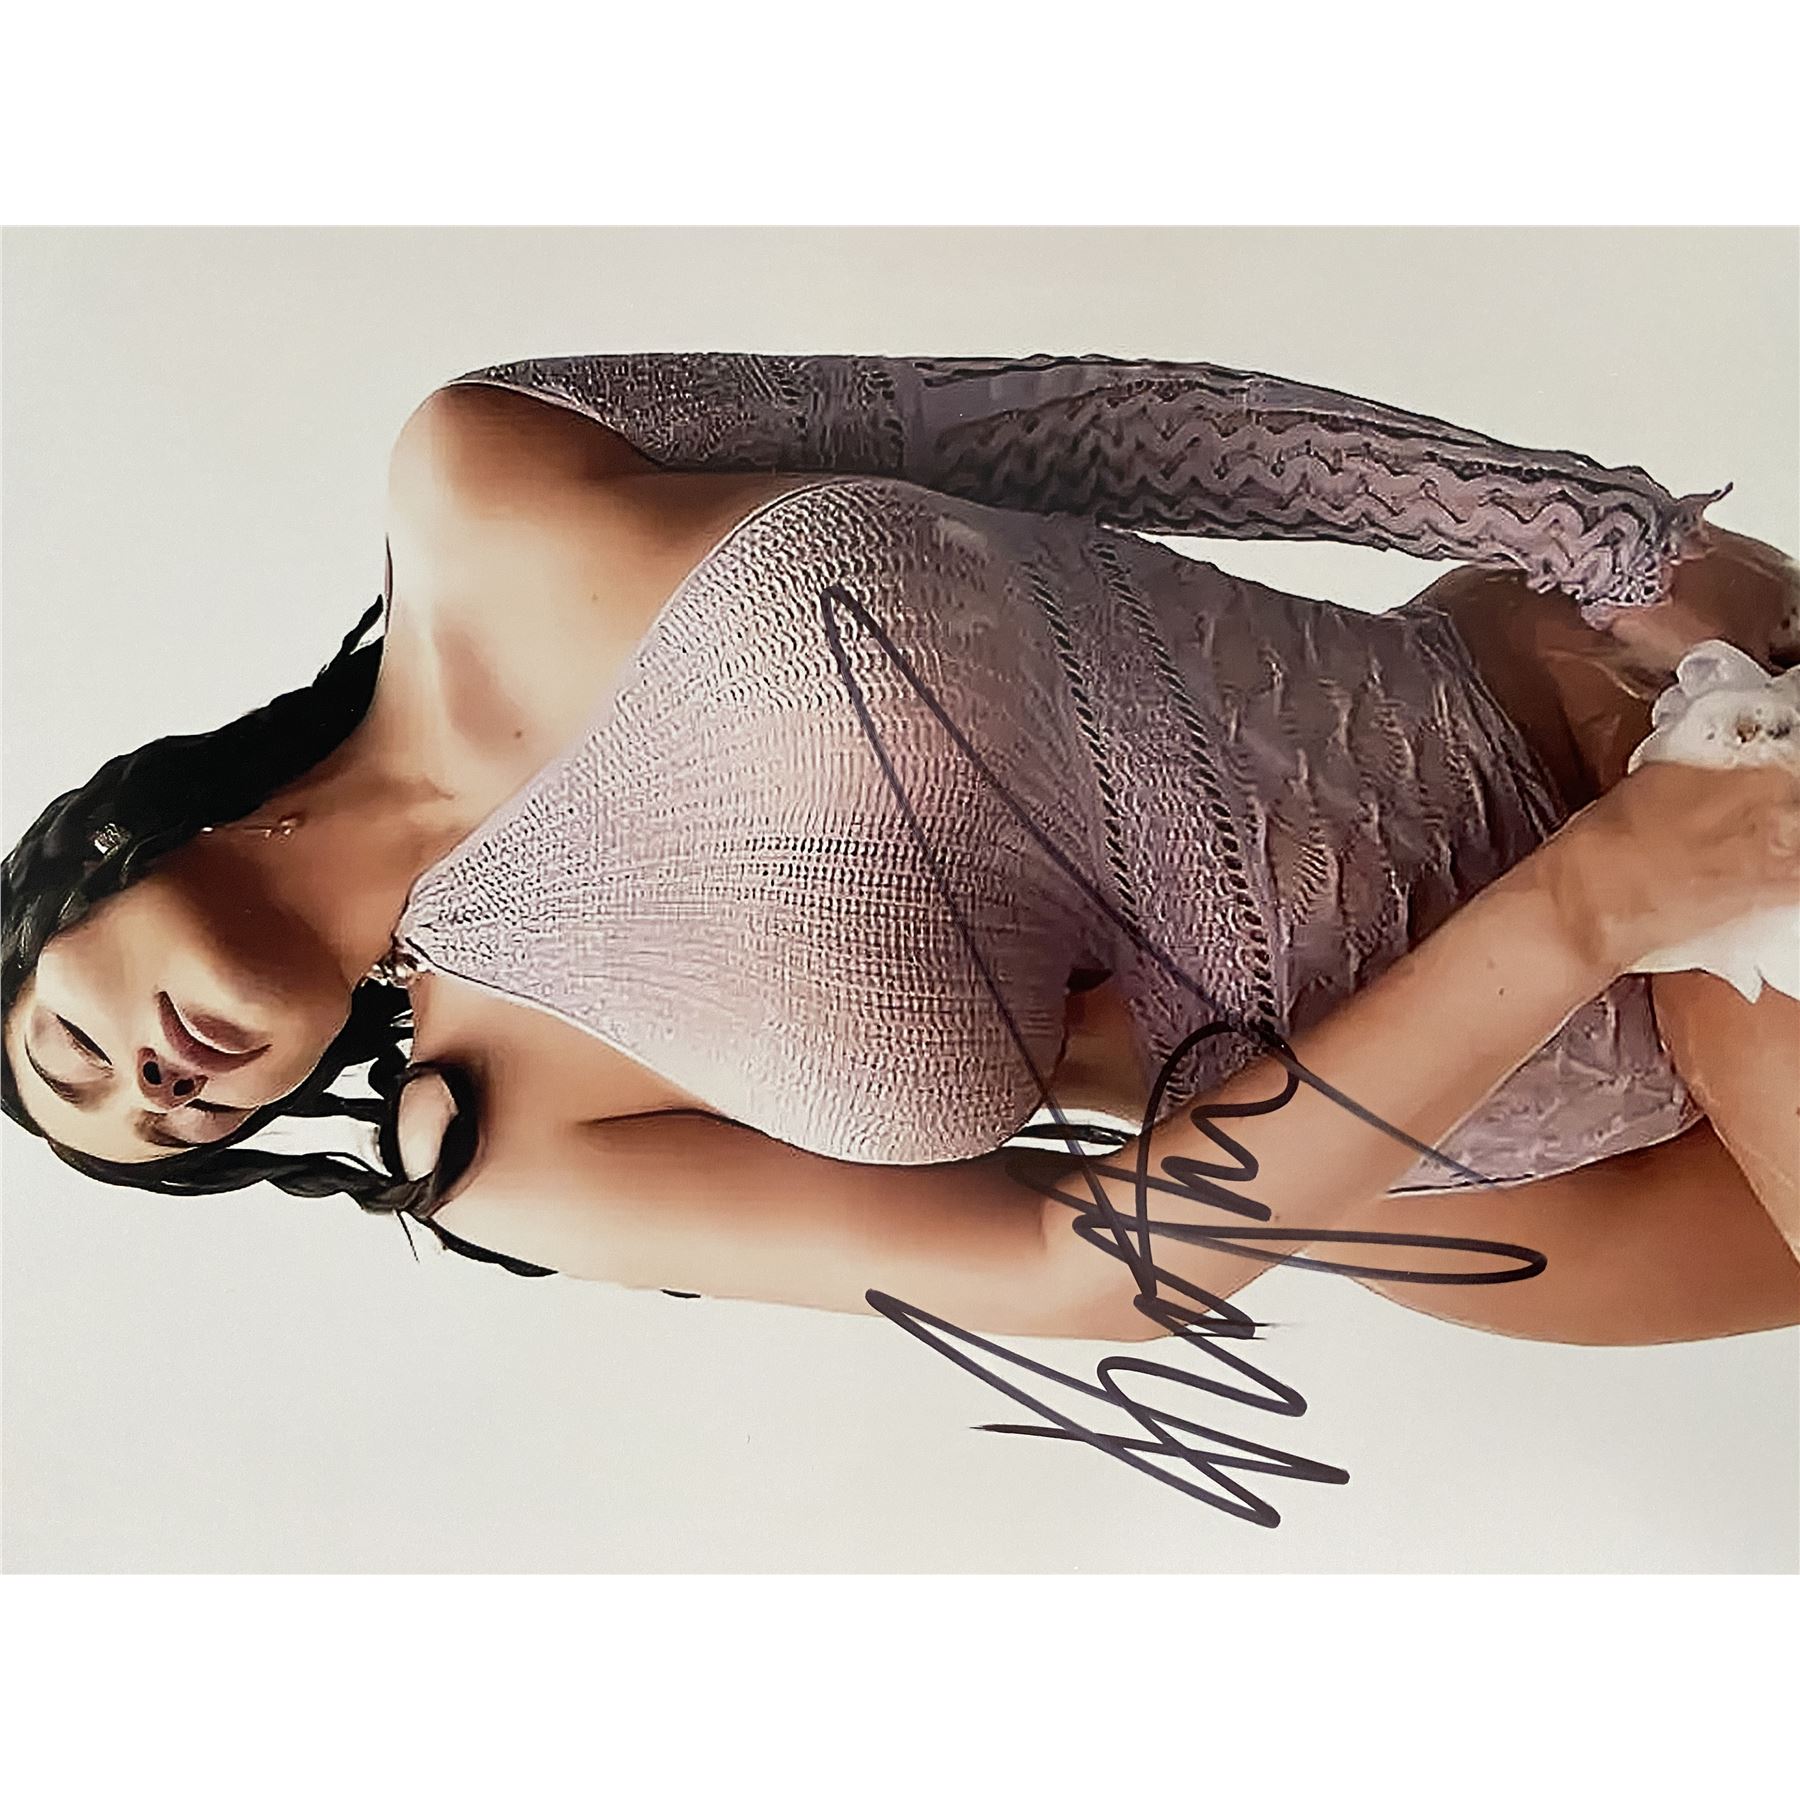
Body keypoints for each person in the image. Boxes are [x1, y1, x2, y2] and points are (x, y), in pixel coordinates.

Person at [4, 351, 1797, 1344]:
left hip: (1594, 695)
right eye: (175, 1135)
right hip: (1562, 1133)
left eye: (70, 1046)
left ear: (88, 872)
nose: (157, 1091)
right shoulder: (505, 1147)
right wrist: (1589, 908)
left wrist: (1600, 538)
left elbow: (1093, 431)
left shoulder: (481, 476)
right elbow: (1079, 1270)